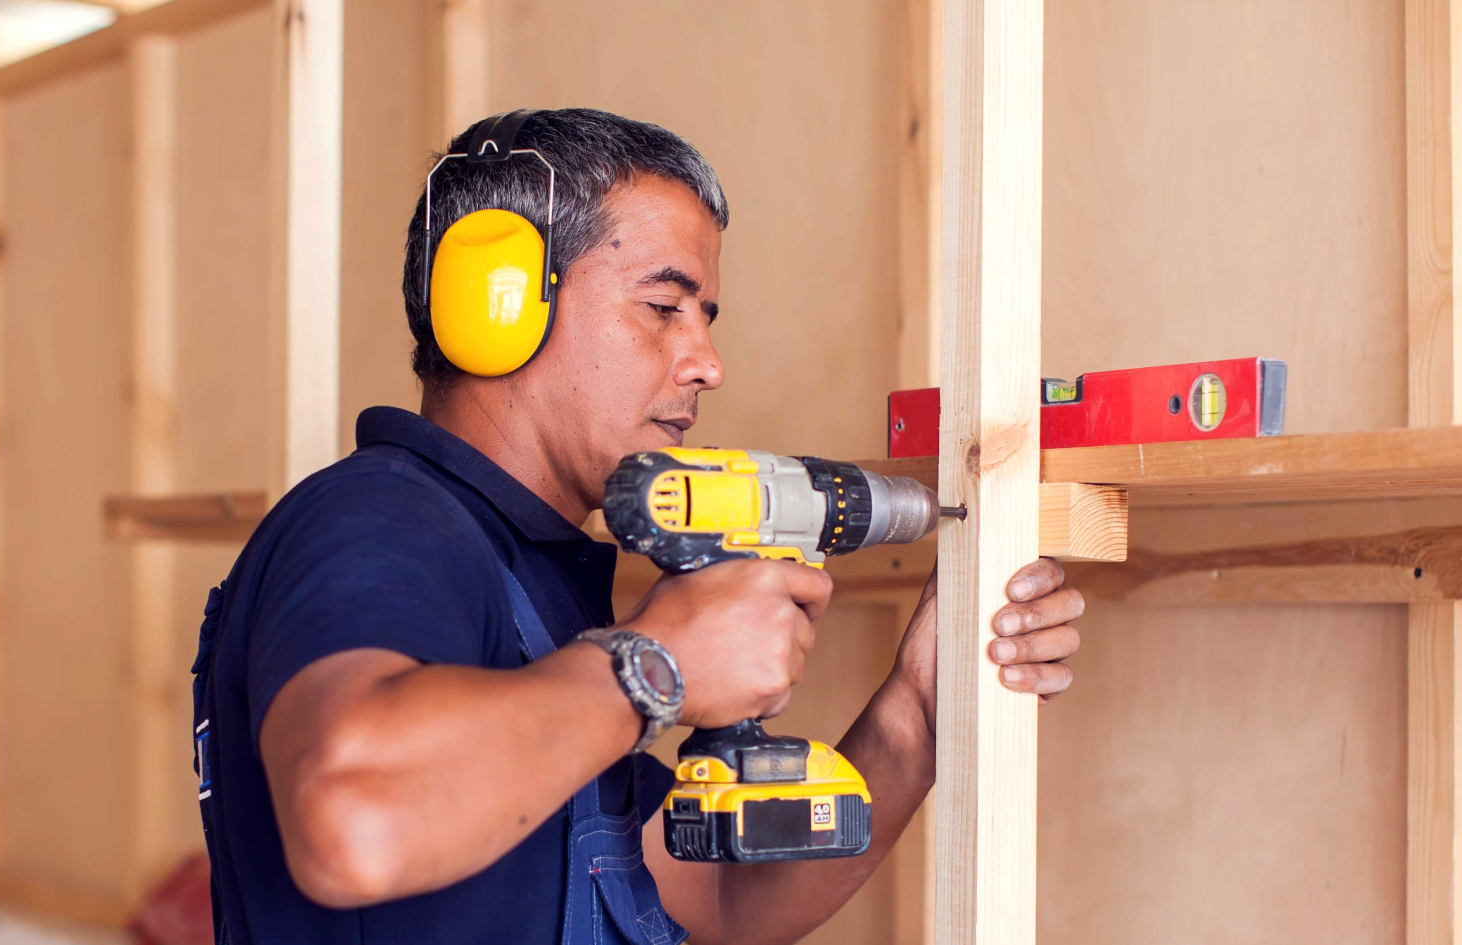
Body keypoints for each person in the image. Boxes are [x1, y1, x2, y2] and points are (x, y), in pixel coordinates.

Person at [191, 108, 1085, 945]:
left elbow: (713, 894)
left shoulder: (536, 574)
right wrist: (658, 666)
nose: (708, 363)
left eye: (706, 317)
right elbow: (352, 818)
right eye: (663, 307)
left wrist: (917, 712)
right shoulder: (379, 524)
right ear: (498, 302)